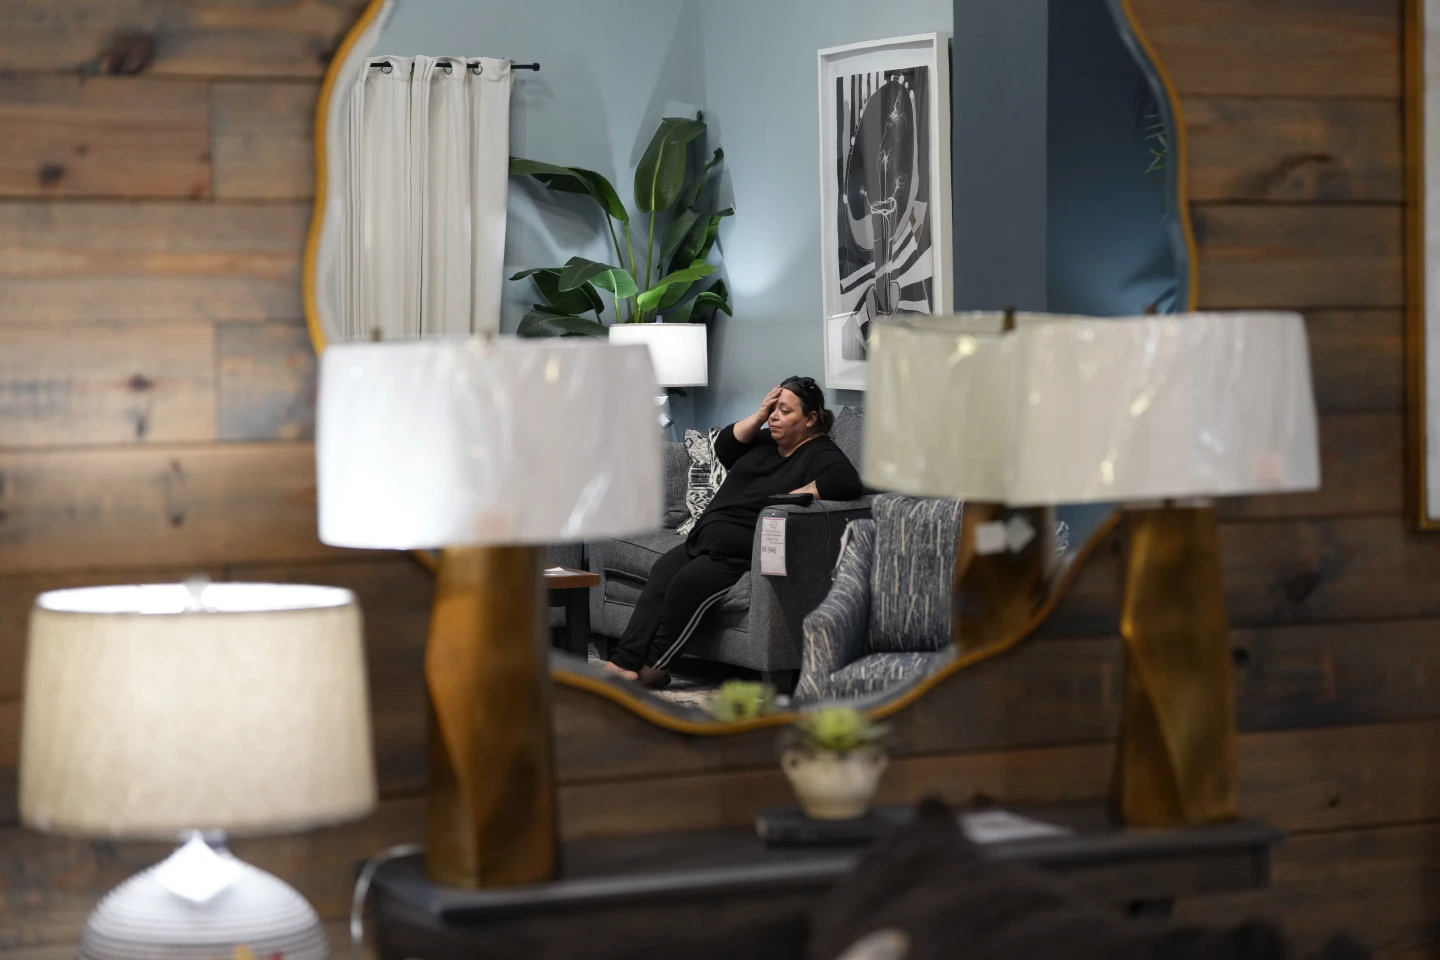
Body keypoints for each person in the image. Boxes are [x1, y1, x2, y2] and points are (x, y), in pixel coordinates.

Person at [603, 376, 862, 688]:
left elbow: (847, 482)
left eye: (785, 411)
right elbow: (725, 447)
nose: (775, 417)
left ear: (810, 419)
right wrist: (760, 413)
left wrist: (796, 494)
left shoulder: (819, 451)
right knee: (661, 573)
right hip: (705, 537)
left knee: (686, 585)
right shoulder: (768, 440)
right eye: (773, 410)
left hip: (736, 549)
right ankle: (623, 661)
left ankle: (657, 666)